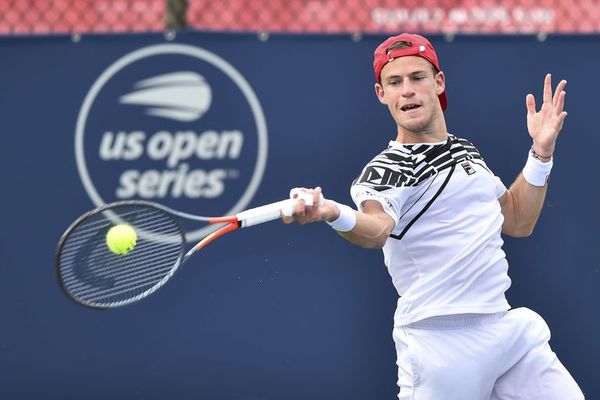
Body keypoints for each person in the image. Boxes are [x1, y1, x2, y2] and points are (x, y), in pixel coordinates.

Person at [283, 33, 584, 399]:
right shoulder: (385, 170)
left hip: (507, 330)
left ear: (438, 82)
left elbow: (518, 219)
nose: (407, 90)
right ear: (382, 94)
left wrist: (540, 152)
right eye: (394, 82)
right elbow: (377, 230)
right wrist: (333, 213)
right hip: (438, 343)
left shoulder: (464, 150)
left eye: (417, 77)